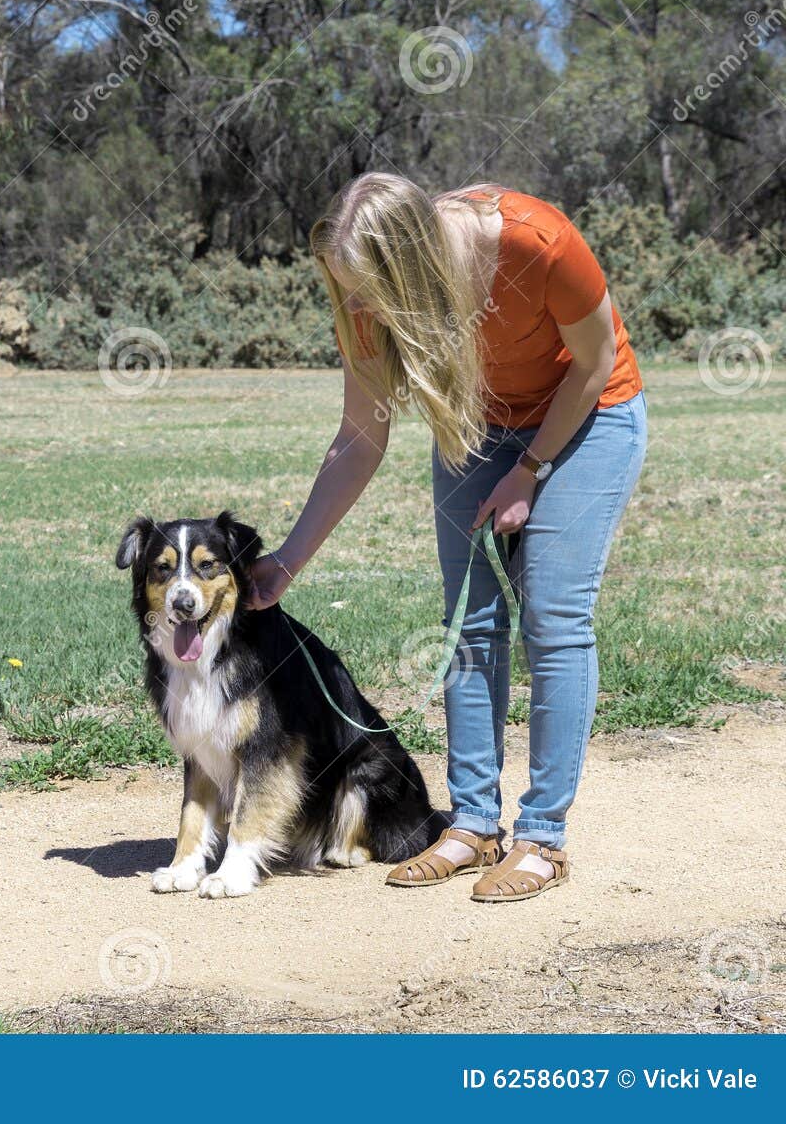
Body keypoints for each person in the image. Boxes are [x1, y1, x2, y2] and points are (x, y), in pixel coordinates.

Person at [243, 173, 647, 902]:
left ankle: (543, 838)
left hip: (589, 411)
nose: (360, 308)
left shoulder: (538, 242)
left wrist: (528, 472)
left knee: (553, 615)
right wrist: (288, 561)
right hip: (480, 418)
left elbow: (591, 365)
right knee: (471, 620)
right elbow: (360, 436)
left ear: (414, 265)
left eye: (369, 289)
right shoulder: (365, 299)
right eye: (348, 290)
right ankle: (473, 824)